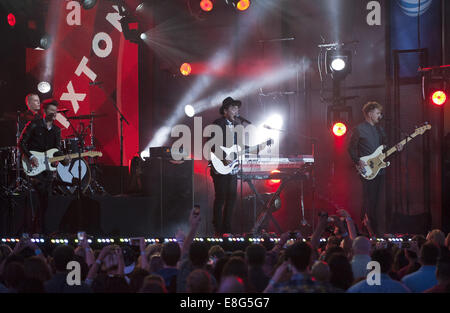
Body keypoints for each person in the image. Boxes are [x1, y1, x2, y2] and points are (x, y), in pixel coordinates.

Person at [348, 101, 403, 235]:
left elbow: (385, 152)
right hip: (367, 169)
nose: (380, 115)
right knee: (369, 200)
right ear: (370, 113)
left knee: (377, 202)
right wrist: (358, 161)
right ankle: (365, 230)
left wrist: (396, 150)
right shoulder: (359, 129)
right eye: (378, 113)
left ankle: (374, 230)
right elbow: (351, 148)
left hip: (380, 170)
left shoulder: (381, 130)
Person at [18, 98, 68, 233]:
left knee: (45, 200)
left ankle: (41, 229)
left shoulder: (57, 130)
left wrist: (63, 159)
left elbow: (57, 149)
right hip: (34, 166)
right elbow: (21, 143)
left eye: (55, 112)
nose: (54, 114)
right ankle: (35, 229)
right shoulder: (33, 125)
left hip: (47, 170)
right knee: (38, 198)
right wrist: (31, 157)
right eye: (51, 111)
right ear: (44, 111)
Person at [209, 96, 243, 236]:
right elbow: (211, 144)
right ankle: (218, 228)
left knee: (232, 198)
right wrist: (223, 158)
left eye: (237, 108)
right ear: (225, 110)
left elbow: (238, 147)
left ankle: (227, 230)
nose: (236, 110)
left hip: (232, 168)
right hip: (219, 166)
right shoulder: (217, 124)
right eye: (233, 108)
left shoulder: (237, 126)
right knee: (221, 197)